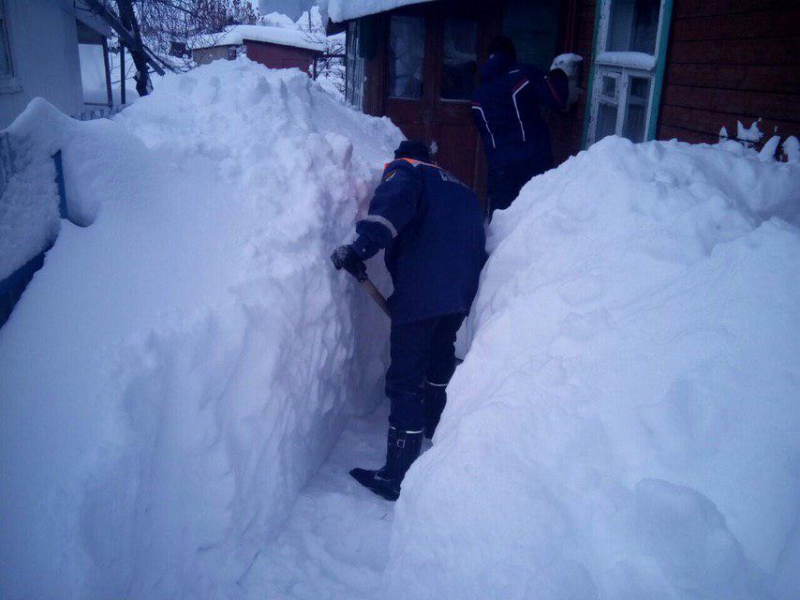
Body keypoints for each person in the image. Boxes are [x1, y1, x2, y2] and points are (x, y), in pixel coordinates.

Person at [331, 140, 486, 501]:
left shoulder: (406, 170)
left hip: (423, 291)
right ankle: (435, 424)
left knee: (405, 378)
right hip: (460, 292)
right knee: (439, 357)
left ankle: (397, 473)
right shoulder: (461, 187)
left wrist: (359, 249)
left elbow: (390, 211)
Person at [471, 36, 568, 218]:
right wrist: (559, 74)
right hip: (533, 162)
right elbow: (557, 99)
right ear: (512, 55)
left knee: (499, 221)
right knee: (533, 218)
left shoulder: (478, 94)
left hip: (499, 167)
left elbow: (483, 130)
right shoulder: (525, 75)